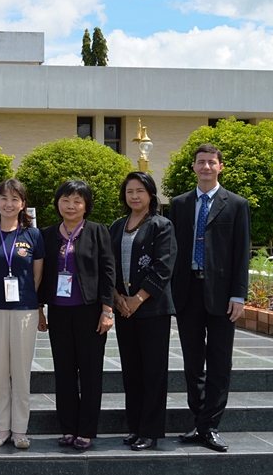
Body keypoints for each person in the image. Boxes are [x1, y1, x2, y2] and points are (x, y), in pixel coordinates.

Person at [170, 144, 251, 452]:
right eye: (200, 162)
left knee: (219, 362)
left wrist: (238, 295)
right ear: (193, 167)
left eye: (211, 162)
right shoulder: (179, 204)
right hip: (187, 291)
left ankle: (211, 425)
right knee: (192, 362)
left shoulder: (236, 204)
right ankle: (199, 421)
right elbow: (173, 251)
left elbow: (242, 252)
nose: (205, 167)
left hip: (221, 294)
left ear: (220, 167)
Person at [38, 180, 115, 450]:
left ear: (86, 205)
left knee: (91, 371)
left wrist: (107, 310)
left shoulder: (97, 232)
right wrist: (39, 308)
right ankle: (68, 427)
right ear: (58, 202)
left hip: (90, 311)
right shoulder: (46, 234)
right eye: (66, 199)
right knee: (65, 371)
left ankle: (86, 429)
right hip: (59, 311)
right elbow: (40, 274)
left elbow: (108, 271)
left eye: (77, 201)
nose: (71, 205)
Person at [0, 178, 44, 449]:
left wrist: (25, 298)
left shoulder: (33, 235)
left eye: (15, 199)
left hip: (24, 310)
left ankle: (20, 430)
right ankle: (1, 428)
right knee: (0, 369)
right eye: (3, 198)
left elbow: (37, 276)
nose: (9, 203)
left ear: (23, 204)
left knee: (21, 370)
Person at [109, 172, 177, 451]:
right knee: (131, 371)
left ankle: (150, 431)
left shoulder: (162, 225)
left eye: (140, 191)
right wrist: (116, 297)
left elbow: (163, 267)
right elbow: (108, 265)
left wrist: (137, 298)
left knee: (153, 371)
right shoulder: (116, 226)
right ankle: (135, 427)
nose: (134, 196)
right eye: (129, 191)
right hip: (123, 308)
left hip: (152, 310)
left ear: (150, 194)